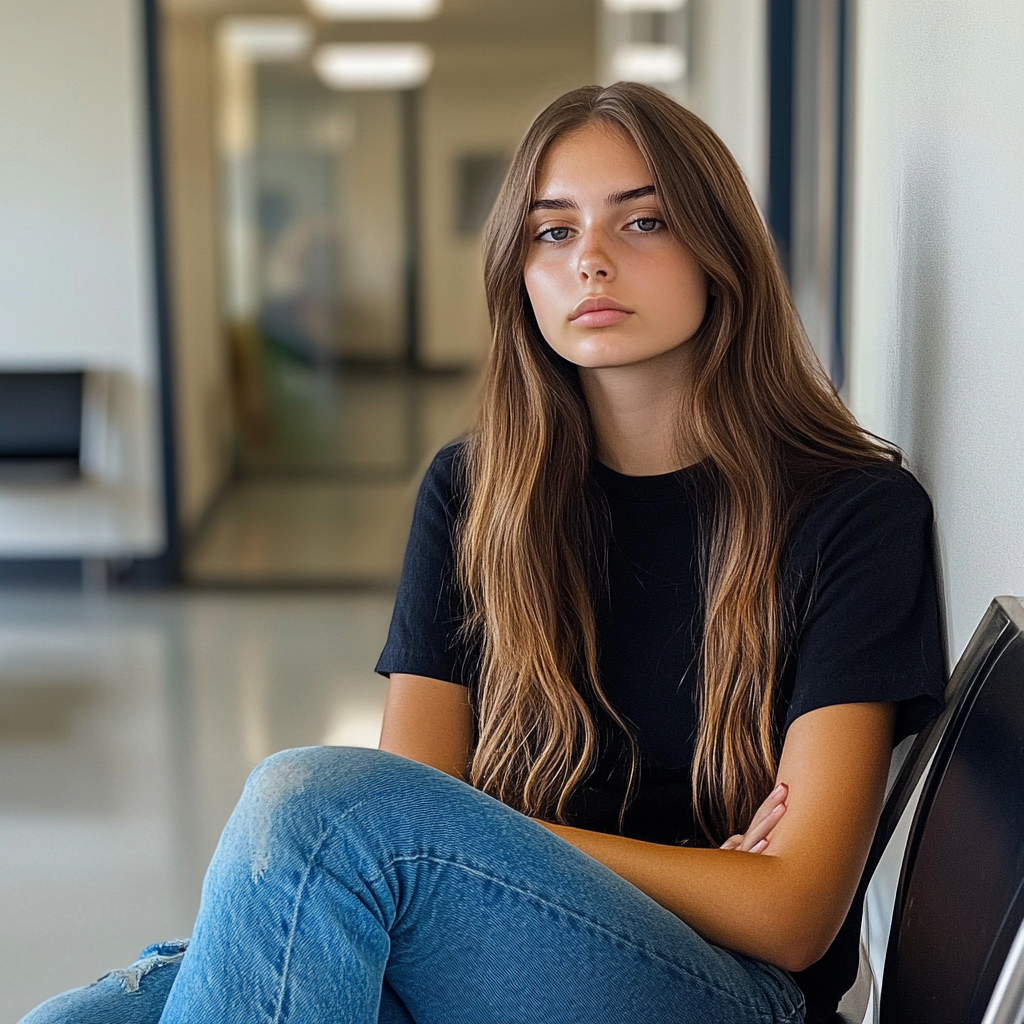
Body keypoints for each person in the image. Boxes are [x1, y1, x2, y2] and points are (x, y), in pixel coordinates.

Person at [21, 82, 945, 1024]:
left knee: (318, 804)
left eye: (645, 221)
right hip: (486, 957)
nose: (590, 260)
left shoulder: (854, 512)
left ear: (720, 253)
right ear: (519, 273)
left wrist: (479, 841)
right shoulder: (475, 494)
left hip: (727, 991)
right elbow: (415, 814)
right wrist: (471, 851)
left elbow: (792, 913)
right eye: (553, 232)